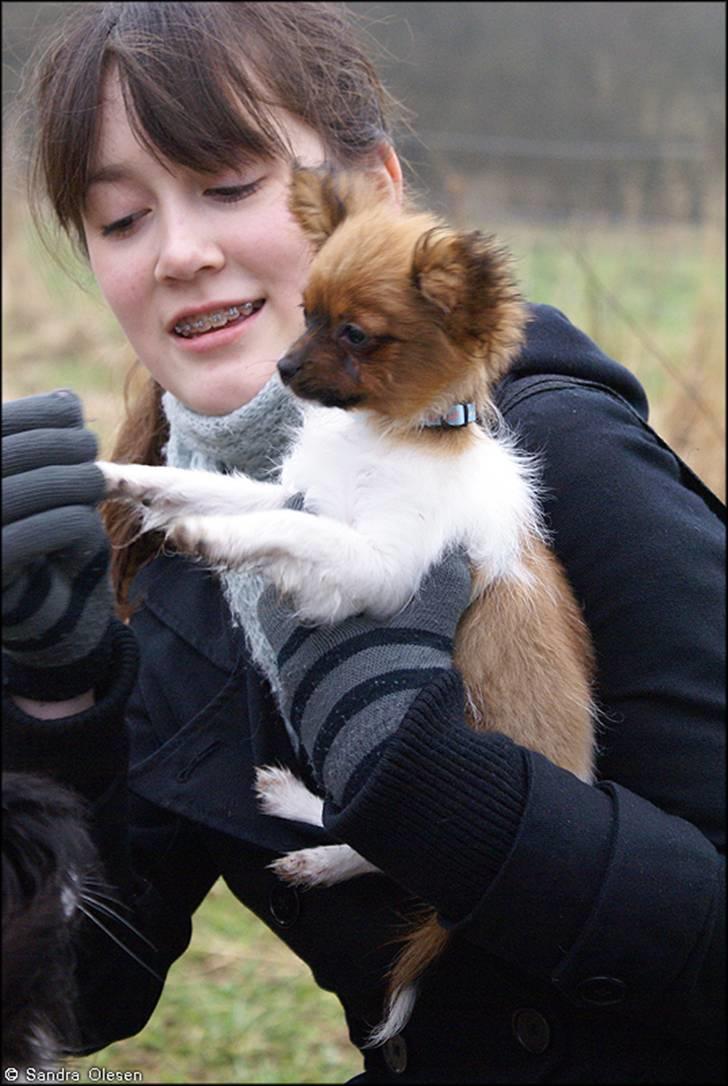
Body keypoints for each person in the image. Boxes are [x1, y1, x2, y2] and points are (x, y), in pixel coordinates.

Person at [2, 2, 724, 1082]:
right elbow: (82, 995)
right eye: (120, 219)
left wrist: (440, 787)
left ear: (378, 192)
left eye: (230, 185)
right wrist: (52, 709)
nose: (180, 253)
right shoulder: (175, 564)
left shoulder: (565, 464)